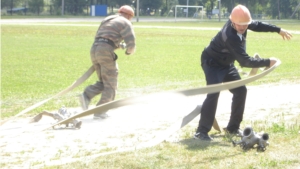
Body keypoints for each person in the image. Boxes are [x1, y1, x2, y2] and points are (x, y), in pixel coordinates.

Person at [194, 4, 292, 141]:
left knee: (240, 91)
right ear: (232, 22)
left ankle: (232, 128)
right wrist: (268, 61)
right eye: (240, 25)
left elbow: (257, 25)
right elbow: (245, 62)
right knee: (214, 92)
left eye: (245, 25)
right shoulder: (230, 35)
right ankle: (201, 132)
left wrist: (278, 30)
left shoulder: (242, 23)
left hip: (227, 63)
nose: (243, 28)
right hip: (212, 63)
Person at [79, 5, 136, 119]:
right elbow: (132, 45)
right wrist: (128, 52)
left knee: (105, 81)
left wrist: (118, 45)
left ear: (119, 12)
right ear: (129, 16)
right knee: (111, 84)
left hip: (94, 48)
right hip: (105, 50)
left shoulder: (108, 19)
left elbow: (104, 37)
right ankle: (101, 111)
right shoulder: (125, 22)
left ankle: (87, 95)